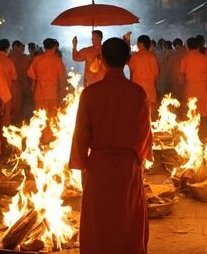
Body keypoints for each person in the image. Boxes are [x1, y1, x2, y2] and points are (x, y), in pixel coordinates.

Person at [70, 37, 152, 254]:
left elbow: (81, 134)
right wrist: (140, 161)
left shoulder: (90, 94)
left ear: (102, 60)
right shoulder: (138, 93)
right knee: (128, 219)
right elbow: (144, 132)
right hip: (128, 165)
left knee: (98, 222)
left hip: (98, 166)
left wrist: (81, 164)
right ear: (127, 60)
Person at [179, 37, 207, 121]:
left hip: (190, 87)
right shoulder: (205, 58)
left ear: (187, 47)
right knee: (204, 109)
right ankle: (204, 127)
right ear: (198, 47)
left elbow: (182, 75)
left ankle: (193, 128)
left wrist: (183, 86)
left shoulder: (185, 59)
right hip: (203, 87)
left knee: (192, 108)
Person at [128, 35, 160, 115]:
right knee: (150, 111)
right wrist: (155, 87)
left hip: (137, 86)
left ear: (141, 44)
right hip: (150, 86)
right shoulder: (153, 57)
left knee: (138, 111)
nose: (137, 44)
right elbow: (156, 74)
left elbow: (131, 72)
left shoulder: (134, 57)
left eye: (138, 43)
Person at [0, 39, 18, 128]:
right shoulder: (9, 62)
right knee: (6, 115)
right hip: (6, 92)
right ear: (7, 49)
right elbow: (14, 78)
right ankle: (4, 135)